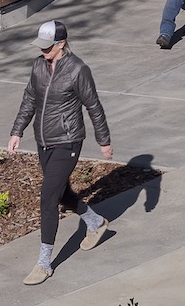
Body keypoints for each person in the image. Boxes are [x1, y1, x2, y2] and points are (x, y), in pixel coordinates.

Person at [6, 19, 113, 283]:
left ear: (61, 43)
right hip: (43, 141)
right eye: (40, 47)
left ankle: (44, 263)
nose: (42, 52)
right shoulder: (38, 66)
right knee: (62, 193)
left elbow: (94, 106)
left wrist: (104, 140)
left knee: (47, 200)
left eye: (47, 47)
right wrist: (17, 131)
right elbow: (29, 98)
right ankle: (96, 223)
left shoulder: (78, 70)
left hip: (68, 140)